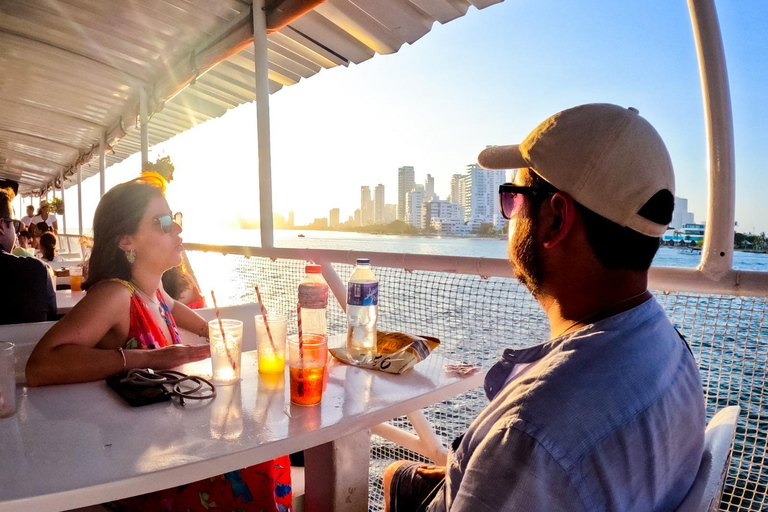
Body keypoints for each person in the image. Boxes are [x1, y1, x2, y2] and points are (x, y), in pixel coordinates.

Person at [383, 104, 706, 512]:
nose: (509, 219)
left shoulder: (530, 437)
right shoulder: (674, 351)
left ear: (556, 219)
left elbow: (537, 450)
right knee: (398, 476)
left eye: (514, 200)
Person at [25, 179, 292, 512]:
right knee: (257, 466)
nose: (177, 228)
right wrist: (151, 358)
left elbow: (172, 306)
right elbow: (40, 367)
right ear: (126, 240)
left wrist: (212, 332)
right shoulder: (115, 295)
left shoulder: (152, 291)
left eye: (175, 218)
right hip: (141, 472)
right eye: (163, 222)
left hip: (170, 450)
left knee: (265, 447)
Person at [0, 189, 57, 325]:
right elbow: (51, 315)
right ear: (1, 226)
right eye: (15, 225)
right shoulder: (35, 271)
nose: (17, 233)